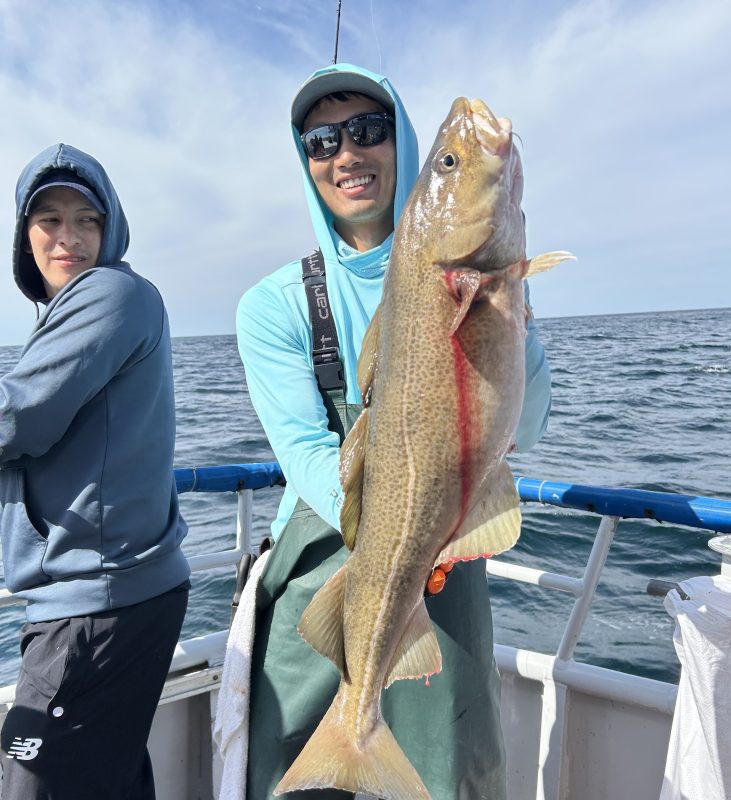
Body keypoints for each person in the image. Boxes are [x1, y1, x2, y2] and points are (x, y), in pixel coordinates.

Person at [235, 63, 552, 800]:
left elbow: (525, 430)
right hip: (331, 564)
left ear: (400, 143)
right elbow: (306, 452)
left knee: (451, 780)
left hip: (446, 555)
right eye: (321, 139)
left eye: (368, 130)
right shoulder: (272, 304)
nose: (346, 153)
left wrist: (515, 314)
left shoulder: (492, 283)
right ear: (306, 161)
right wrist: (394, 541)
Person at [0, 144, 191, 799]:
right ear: (24, 237)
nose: (69, 237)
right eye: (49, 220)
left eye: (88, 220)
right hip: (121, 591)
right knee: (107, 779)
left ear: (112, 230)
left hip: (96, 601)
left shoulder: (111, 292)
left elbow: (17, 417)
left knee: (34, 785)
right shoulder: (98, 305)